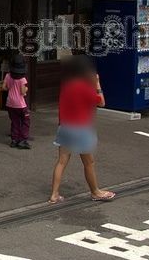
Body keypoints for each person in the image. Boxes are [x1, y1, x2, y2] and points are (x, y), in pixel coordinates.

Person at [49, 55, 115, 203]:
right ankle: (95, 192)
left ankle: (54, 195)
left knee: (61, 161)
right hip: (81, 129)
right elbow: (102, 102)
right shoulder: (85, 87)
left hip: (65, 127)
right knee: (89, 163)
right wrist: (97, 83)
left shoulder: (67, 85)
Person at [3, 53, 30, 149]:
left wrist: (11, 87)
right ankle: (23, 140)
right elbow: (23, 92)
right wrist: (26, 90)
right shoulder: (22, 79)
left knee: (14, 121)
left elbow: (4, 88)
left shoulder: (7, 76)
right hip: (21, 104)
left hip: (10, 103)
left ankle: (14, 140)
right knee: (25, 121)